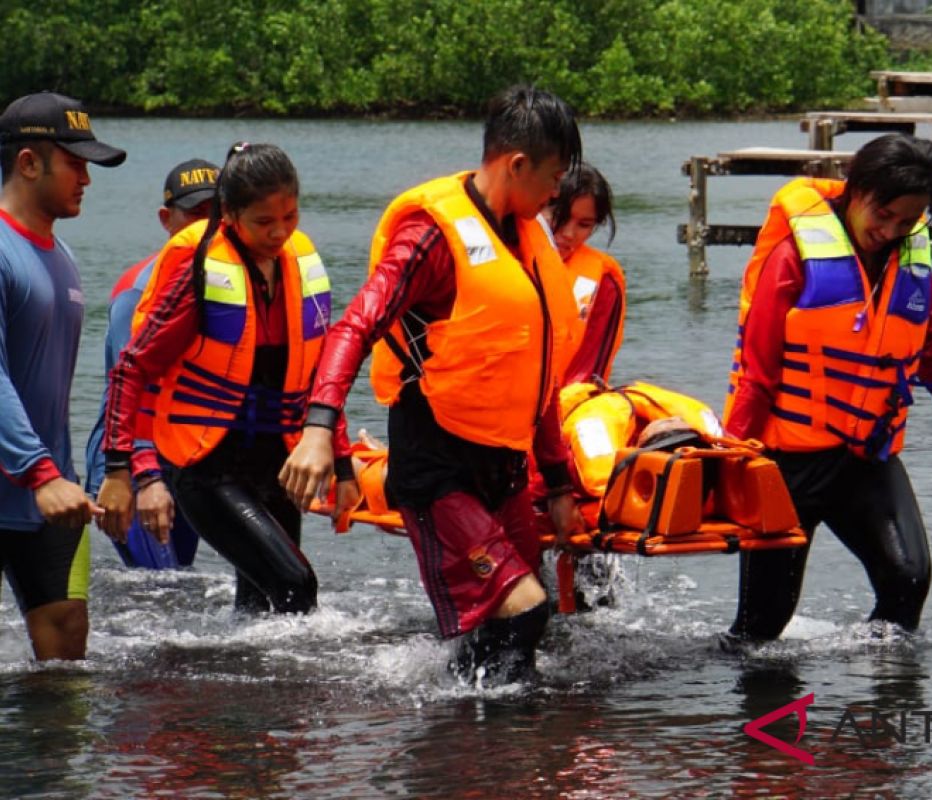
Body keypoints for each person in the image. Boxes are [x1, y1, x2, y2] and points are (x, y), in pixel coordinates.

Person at [279, 85, 585, 684]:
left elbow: (539, 377)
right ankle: (466, 753)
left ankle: (479, 748)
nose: (558, 193)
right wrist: (320, 430)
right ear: (516, 165)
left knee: (531, 622)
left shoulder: (529, 240)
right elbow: (355, 325)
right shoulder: (429, 238)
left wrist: (557, 481)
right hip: (436, 464)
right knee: (523, 613)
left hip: (502, 466)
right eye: (553, 178)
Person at [722, 133, 932, 643]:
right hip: (790, 465)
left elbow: (929, 346)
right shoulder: (792, 258)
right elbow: (757, 373)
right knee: (761, 631)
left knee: (908, 582)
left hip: (866, 459)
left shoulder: (909, 261)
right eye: (883, 214)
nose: (891, 230)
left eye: (907, 221)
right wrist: (728, 461)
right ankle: (756, 718)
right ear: (855, 190)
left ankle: (880, 714)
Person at [96, 142, 358, 614]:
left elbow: (319, 376)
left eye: (291, 216)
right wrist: (124, 470)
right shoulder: (200, 273)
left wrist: (341, 466)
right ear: (230, 214)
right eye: (264, 221)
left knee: (259, 603)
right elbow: (131, 369)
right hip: (206, 466)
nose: (280, 232)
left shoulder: (300, 267)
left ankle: (245, 687)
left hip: (276, 464)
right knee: (296, 583)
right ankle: (297, 689)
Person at [0, 91, 125, 660]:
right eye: (75, 164)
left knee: (67, 646)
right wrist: (37, 470)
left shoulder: (63, 255)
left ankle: (49, 756)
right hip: (34, 475)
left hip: (51, 491)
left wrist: (102, 473)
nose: (87, 180)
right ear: (28, 163)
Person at [83, 158, 218, 569]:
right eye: (195, 214)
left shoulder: (225, 284)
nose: (207, 227)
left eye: (218, 214)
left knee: (179, 588)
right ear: (166, 219)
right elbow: (130, 386)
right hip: (128, 462)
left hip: (183, 458)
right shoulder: (139, 290)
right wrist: (144, 478)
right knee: (159, 585)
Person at [543, 162, 624, 387]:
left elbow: (589, 372)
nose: (569, 234)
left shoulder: (604, 285)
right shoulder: (504, 258)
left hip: (566, 403)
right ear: (539, 205)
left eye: (584, 224)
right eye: (559, 216)